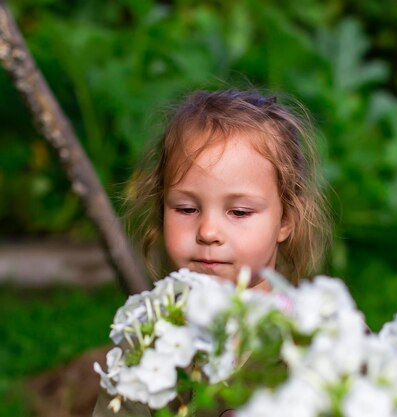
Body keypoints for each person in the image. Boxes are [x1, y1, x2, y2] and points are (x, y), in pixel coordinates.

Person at [93, 89, 332, 417]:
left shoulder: (318, 338)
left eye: (239, 212)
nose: (207, 232)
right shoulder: (151, 338)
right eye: (187, 208)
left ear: (286, 220)